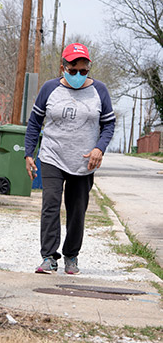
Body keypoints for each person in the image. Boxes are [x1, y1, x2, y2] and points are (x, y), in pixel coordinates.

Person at [25, 43, 115, 275]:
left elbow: (108, 124)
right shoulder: (49, 88)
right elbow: (35, 122)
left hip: (84, 161)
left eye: (83, 71)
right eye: (73, 70)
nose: (78, 75)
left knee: (77, 210)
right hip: (52, 156)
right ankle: (48, 257)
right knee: (50, 205)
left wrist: (99, 149)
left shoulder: (99, 90)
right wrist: (28, 153)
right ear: (62, 67)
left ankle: (71, 256)